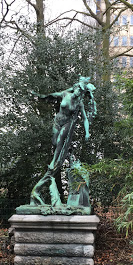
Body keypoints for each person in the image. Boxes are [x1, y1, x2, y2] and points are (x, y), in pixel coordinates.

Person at [30, 76, 96, 206]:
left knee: (60, 141)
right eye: (78, 89)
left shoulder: (79, 104)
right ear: (75, 88)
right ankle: (62, 158)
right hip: (57, 122)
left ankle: (54, 162)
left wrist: (87, 132)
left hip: (67, 124)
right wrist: (41, 96)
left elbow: (85, 119)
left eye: (81, 91)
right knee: (55, 142)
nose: (78, 92)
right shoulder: (65, 94)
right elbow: (53, 95)